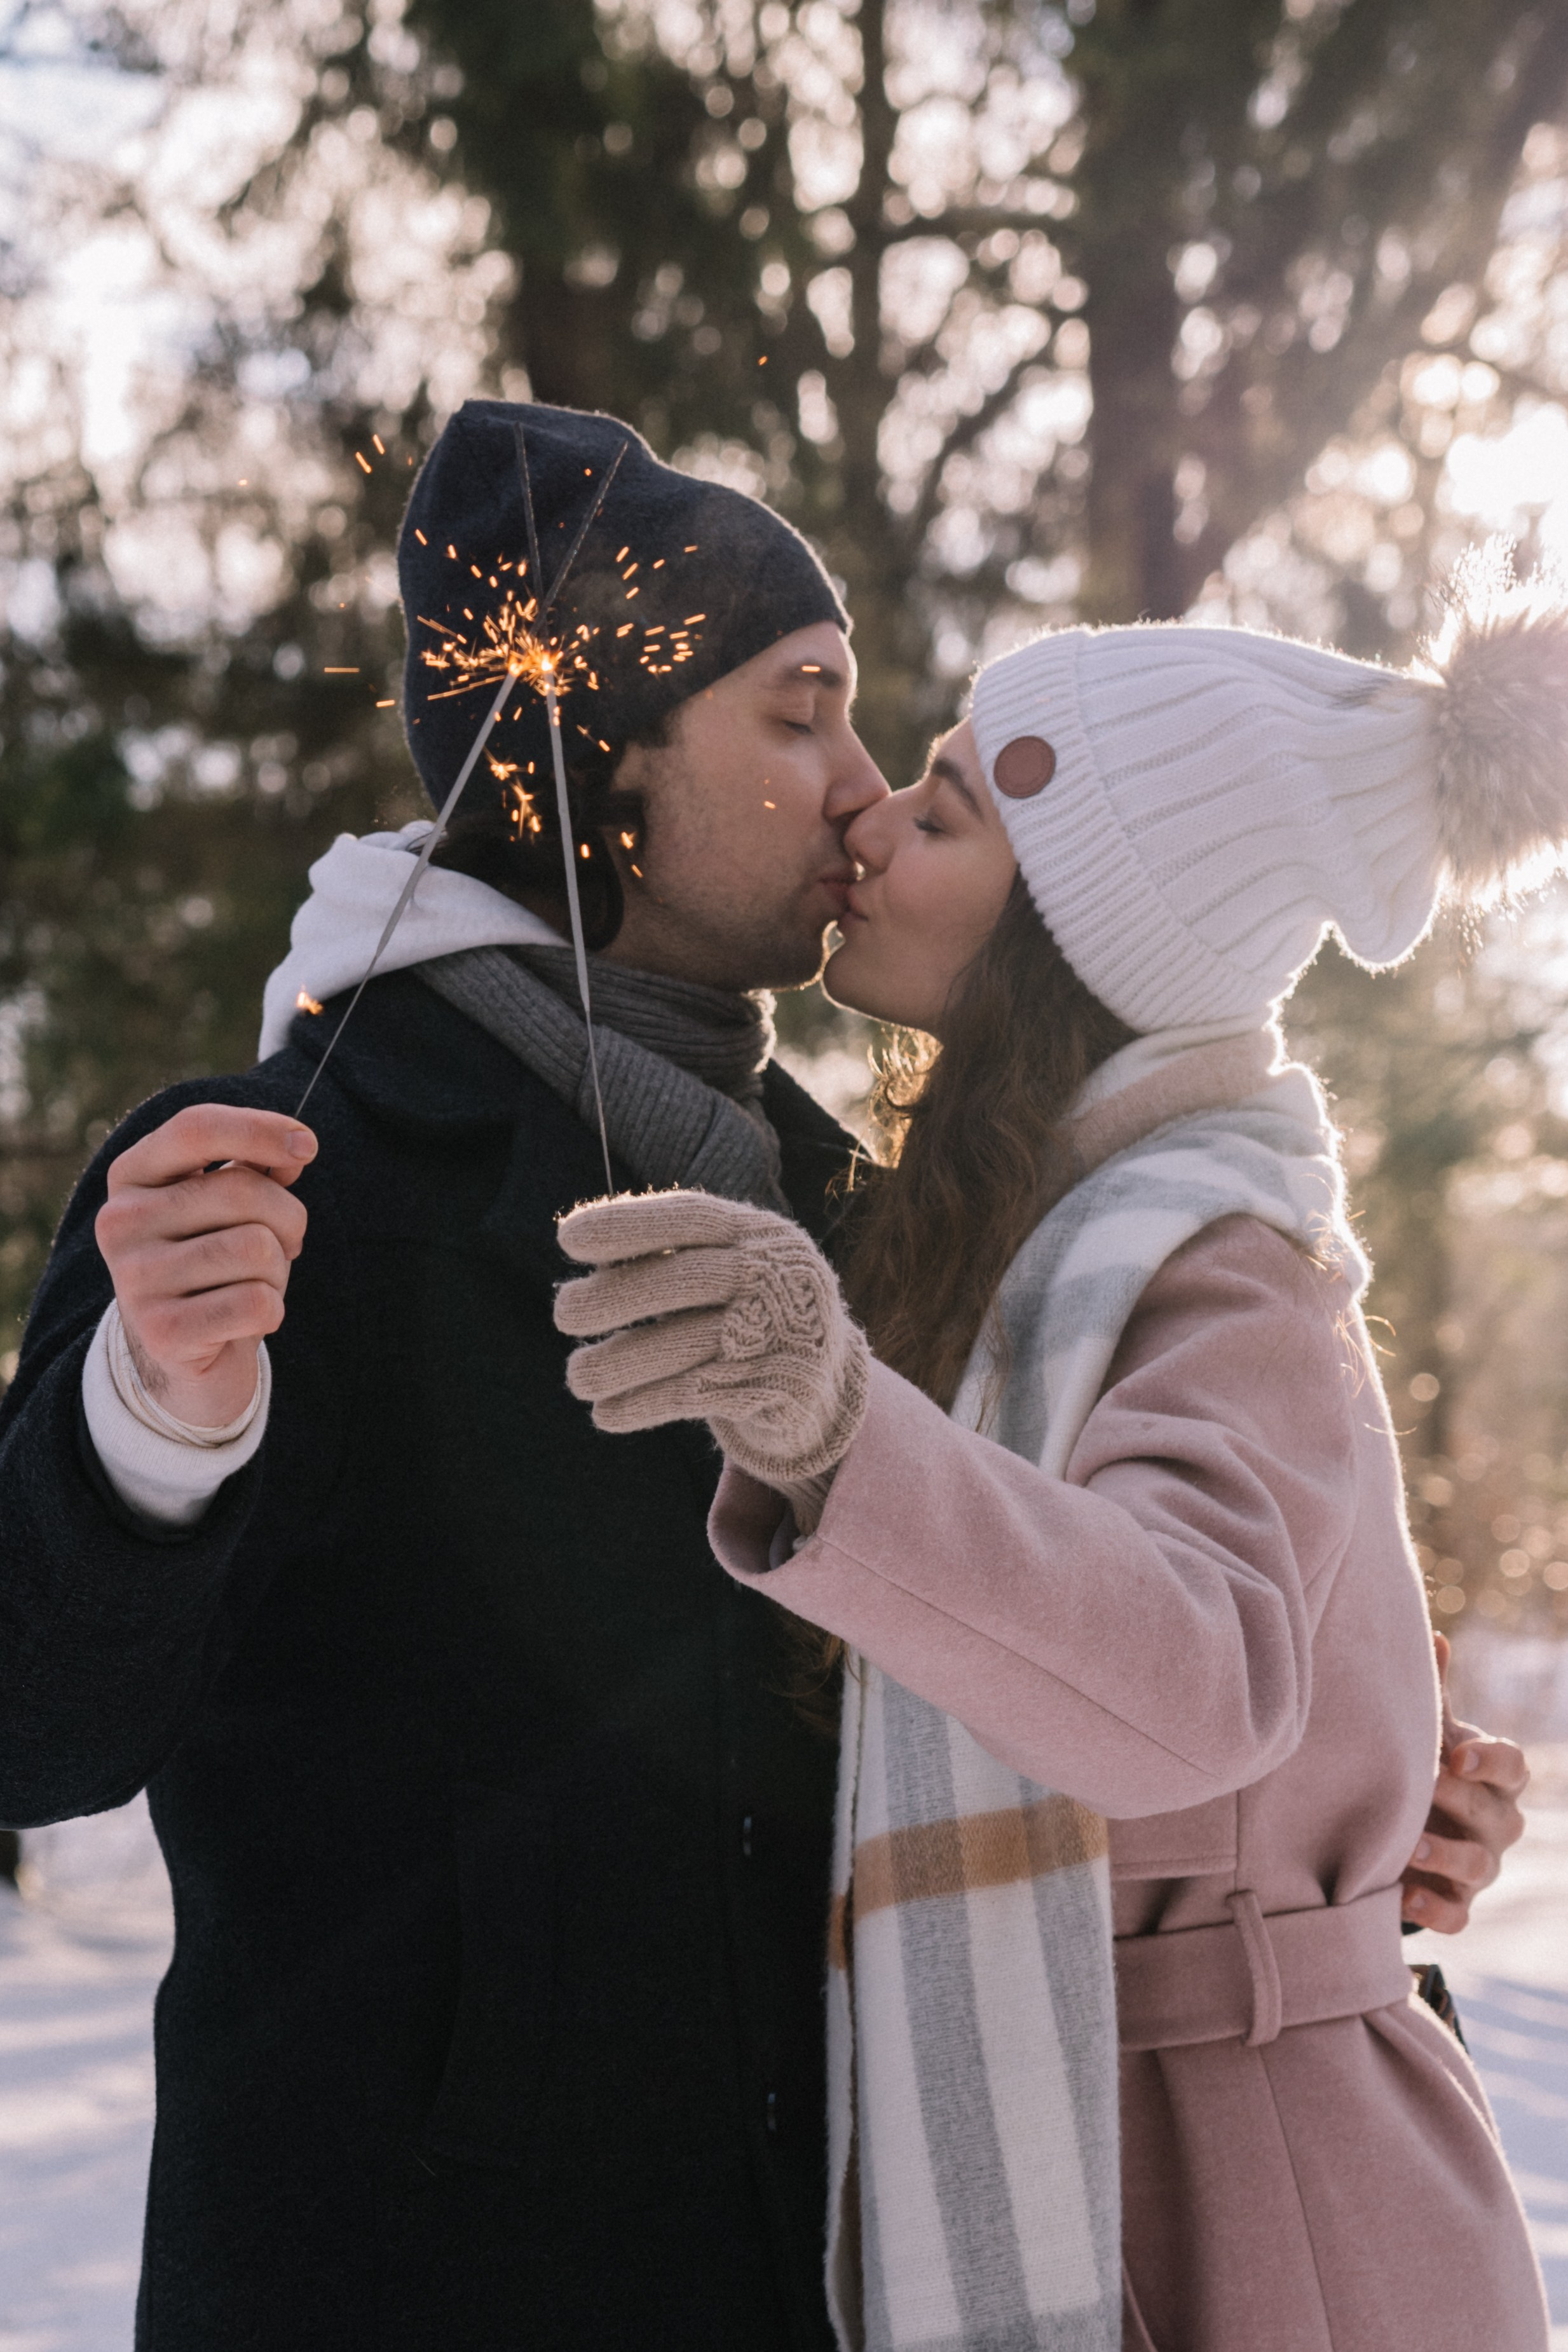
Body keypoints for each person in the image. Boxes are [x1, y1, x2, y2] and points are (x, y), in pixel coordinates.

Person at [0, 398, 1525, 2349]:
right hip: (407, 2285)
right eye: (799, 712)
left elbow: (1050, 1635)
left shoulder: (864, 1219)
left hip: (818, 2280)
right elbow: (37, 1731)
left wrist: (1330, 1805)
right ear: (592, 757)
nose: (861, 788)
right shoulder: (283, 1181)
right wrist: (152, 1425)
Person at [554, 559, 1560, 2352]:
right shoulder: (1021, 1244)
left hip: (1260, 2207)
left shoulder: (1217, 1262)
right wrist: (1385, 1770)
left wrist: (835, 1426)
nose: (870, 819)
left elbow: (1197, 1676)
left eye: (943, 813)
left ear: (1078, 936)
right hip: (1132, 2136)